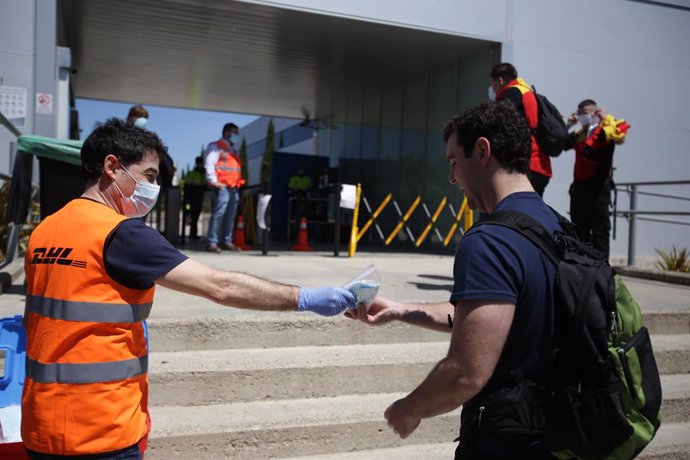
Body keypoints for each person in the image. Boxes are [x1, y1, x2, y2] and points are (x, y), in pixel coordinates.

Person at [21, 118, 357, 460]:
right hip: (100, 428)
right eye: (149, 176)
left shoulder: (46, 230)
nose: (152, 187)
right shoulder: (122, 234)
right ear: (112, 167)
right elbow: (220, 286)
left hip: (39, 425)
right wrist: (305, 298)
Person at [350, 101, 562, 459]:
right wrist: (403, 310)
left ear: (482, 151)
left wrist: (409, 408)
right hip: (563, 430)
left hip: (510, 440)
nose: (451, 178)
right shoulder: (560, 228)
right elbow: (492, 316)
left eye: (453, 162)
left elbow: (466, 371)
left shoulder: (489, 241)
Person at [566, 99, 629, 258]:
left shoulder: (605, 130)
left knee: (600, 228)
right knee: (578, 227)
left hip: (598, 185)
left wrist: (605, 118)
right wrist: (569, 125)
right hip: (580, 186)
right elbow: (563, 144)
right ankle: (580, 265)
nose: (582, 116)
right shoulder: (580, 133)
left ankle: (601, 268)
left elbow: (617, 138)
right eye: (579, 113)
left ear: (594, 113)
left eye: (585, 113)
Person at [489, 62, 552, 196]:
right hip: (538, 163)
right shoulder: (525, 90)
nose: (491, 88)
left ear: (500, 80)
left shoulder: (511, 93)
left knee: (515, 209)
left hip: (526, 164)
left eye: (492, 83)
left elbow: (498, 124)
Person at [204, 122, 245, 253]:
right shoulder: (216, 147)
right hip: (222, 187)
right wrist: (213, 181)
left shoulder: (232, 150)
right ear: (227, 133)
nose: (236, 136)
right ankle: (212, 242)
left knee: (230, 215)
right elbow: (209, 164)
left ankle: (227, 241)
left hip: (233, 187)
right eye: (235, 133)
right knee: (219, 214)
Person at [183, 155, 207, 240]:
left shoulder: (203, 174)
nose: (200, 164)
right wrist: (198, 187)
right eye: (199, 163)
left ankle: (193, 234)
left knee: (195, 217)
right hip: (191, 198)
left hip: (199, 198)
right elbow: (187, 185)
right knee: (192, 216)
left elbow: (206, 186)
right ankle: (192, 235)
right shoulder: (192, 173)